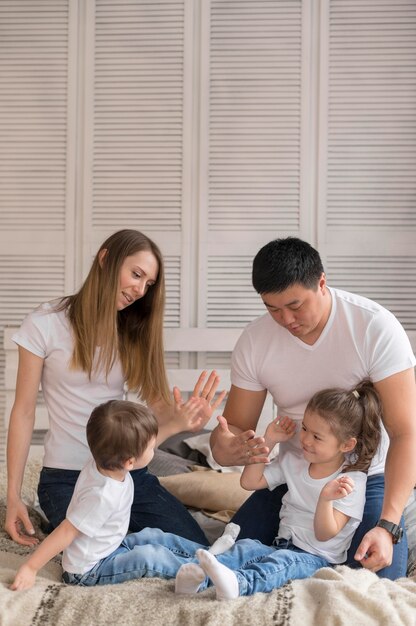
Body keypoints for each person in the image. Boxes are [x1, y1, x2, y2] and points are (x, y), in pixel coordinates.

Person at [209, 237, 416, 579]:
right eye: (272, 308)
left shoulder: (374, 326)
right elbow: (231, 435)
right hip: (294, 472)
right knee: (227, 561)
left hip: (365, 476)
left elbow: (406, 432)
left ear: (322, 282)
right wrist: (226, 448)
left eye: (295, 305)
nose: (286, 319)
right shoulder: (254, 342)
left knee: (377, 580)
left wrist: (389, 525)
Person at [6, 229, 225, 548]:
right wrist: (13, 496)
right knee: (98, 552)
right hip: (68, 478)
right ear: (106, 259)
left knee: (194, 547)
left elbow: (160, 409)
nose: (139, 289)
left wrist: (184, 419)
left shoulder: (134, 329)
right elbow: (24, 412)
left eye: (148, 284)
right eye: (136, 274)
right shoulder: (45, 323)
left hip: (127, 474)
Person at [172, 380, 382, 599]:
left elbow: (324, 533)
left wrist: (326, 499)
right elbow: (249, 482)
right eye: (305, 429)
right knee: (247, 548)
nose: (306, 440)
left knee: (280, 565)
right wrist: (269, 440)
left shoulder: (350, 481)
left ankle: (239, 585)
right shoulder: (295, 461)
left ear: (346, 445)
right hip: (280, 546)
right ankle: (200, 576)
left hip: (316, 560)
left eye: (317, 436)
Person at [11, 400, 240, 591]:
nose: (154, 451)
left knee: (156, 536)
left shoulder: (103, 459)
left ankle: (211, 556)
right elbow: (66, 531)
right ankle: (207, 577)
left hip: (112, 546)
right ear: (130, 462)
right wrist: (31, 568)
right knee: (151, 558)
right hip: (92, 570)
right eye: (151, 448)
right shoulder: (101, 496)